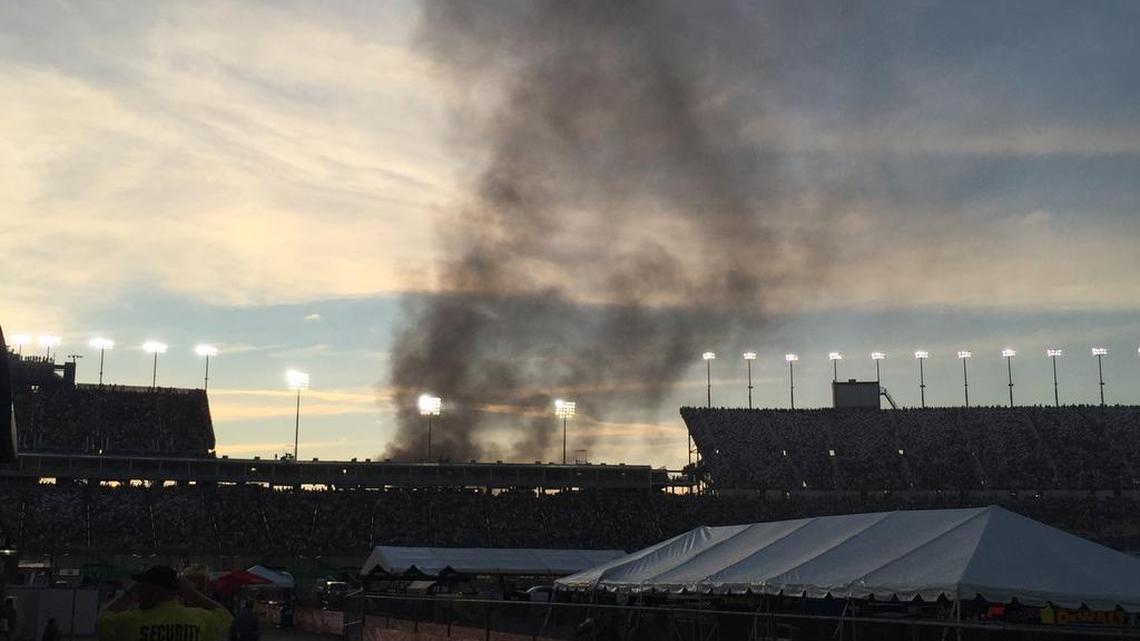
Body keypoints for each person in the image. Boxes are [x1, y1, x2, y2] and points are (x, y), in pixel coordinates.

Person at [96, 566, 233, 641]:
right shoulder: (199, 619)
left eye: (142, 587)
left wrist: (128, 594)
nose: (139, 593)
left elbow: (102, 621)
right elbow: (225, 616)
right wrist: (193, 594)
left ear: (155, 590)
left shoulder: (131, 621)